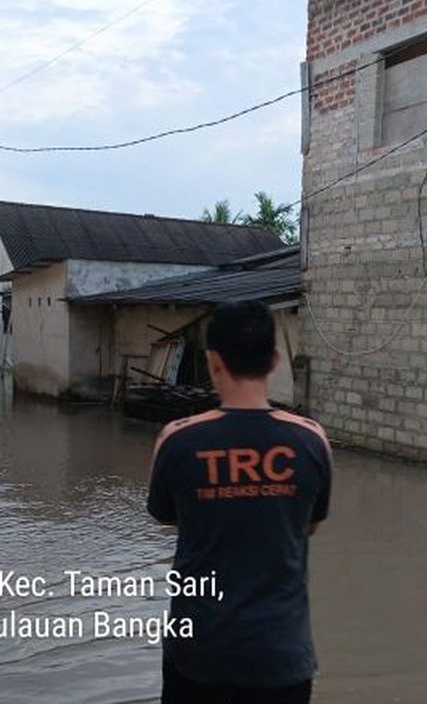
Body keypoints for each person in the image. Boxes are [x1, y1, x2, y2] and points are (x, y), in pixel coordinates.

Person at [146, 300, 332, 704]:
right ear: (275, 360)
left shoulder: (176, 439)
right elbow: (308, 525)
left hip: (199, 654)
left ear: (213, 362)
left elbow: (173, 519)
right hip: (281, 658)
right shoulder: (312, 440)